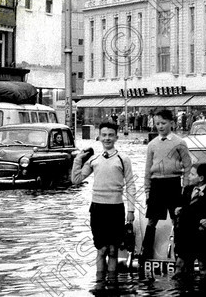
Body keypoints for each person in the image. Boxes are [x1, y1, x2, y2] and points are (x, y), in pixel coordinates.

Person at [71, 121, 135, 287]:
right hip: (98, 209)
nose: (107, 138)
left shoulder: (123, 159)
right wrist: (78, 159)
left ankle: (112, 285)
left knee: (113, 250)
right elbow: (76, 179)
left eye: (111, 135)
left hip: (116, 209)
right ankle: (99, 285)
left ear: (116, 137)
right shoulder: (94, 159)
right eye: (104, 135)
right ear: (99, 137)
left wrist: (131, 210)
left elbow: (131, 185)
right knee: (102, 249)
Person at [141, 109, 192, 261]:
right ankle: (146, 251)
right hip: (157, 185)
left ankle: (180, 252)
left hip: (174, 184)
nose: (160, 127)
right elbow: (147, 170)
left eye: (163, 123)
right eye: (157, 124)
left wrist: (186, 188)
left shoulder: (180, 143)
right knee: (151, 220)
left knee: (177, 219)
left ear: (172, 123)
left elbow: (188, 166)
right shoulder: (152, 145)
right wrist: (147, 191)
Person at [173, 162, 206, 278]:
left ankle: (204, 288)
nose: (188, 176)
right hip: (187, 235)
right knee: (180, 264)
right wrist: (178, 210)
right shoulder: (187, 191)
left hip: (203, 237)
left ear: (201, 178)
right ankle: (180, 288)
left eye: (192, 174)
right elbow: (183, 207)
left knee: (203, 266)